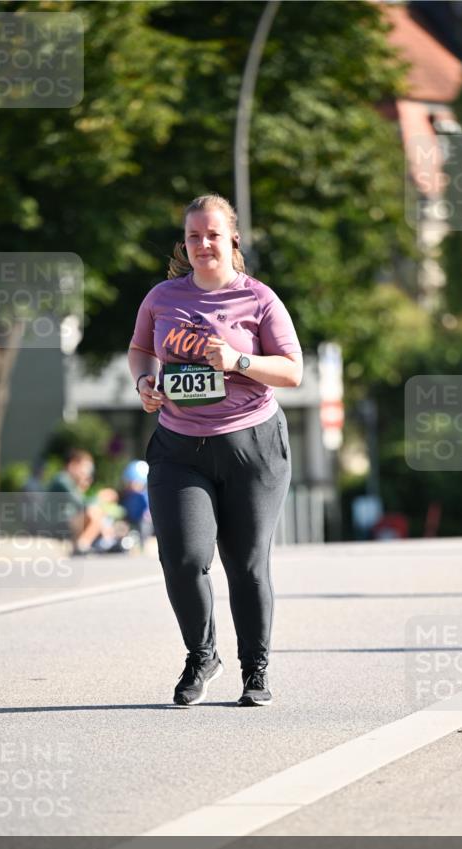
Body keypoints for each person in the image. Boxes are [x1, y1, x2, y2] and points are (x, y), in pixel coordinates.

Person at [128, 193, 302, 707]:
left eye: (212, 235)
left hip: (252, 445)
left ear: (233, 240)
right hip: (179, 446)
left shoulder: (259, 298)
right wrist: (144, 382)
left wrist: (239, 361)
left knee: (246, 564)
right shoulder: (162, 297)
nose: (203, 244)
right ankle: (202, 655)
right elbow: (140, 349)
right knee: (183, 558)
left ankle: (256, 669)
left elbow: (292, 370)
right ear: (184, 244)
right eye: (193, 236)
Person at [47, 449, 126, 555]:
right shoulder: (62, 480)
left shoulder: (70, 481)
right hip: (55, 523)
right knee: (93, 512)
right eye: (84, 467)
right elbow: (82, 504)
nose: (86, 472)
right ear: (73, 464)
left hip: (67, 521)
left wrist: (82, 487)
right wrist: (100, 497)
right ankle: (83, 544)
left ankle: (104, 541)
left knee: (97, 513)